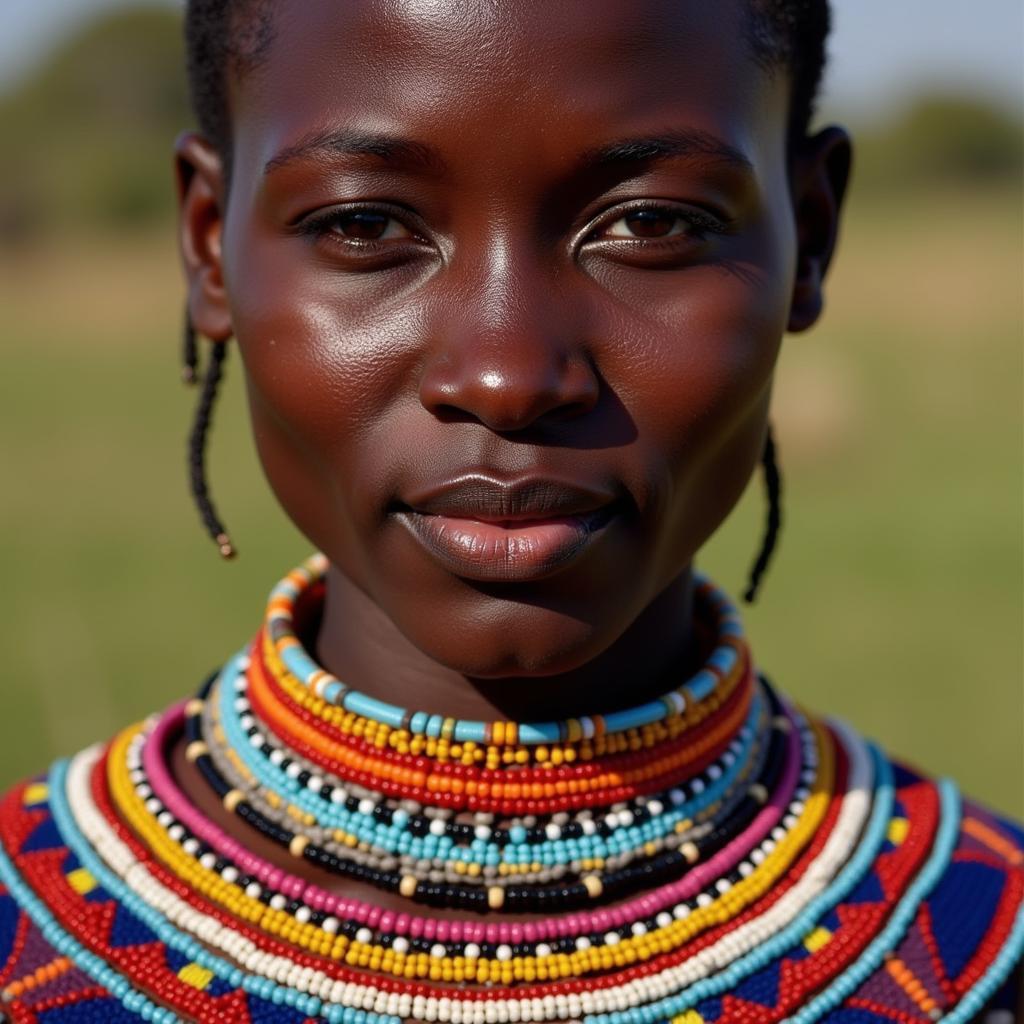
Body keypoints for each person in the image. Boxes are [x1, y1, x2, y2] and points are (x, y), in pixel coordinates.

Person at [0, 2, 1020, 1022]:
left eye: (650, 223)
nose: (507, 374)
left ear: (810, 236)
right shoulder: (22, 939)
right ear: (209, 245)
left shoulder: (988, 948)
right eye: (364, 224)